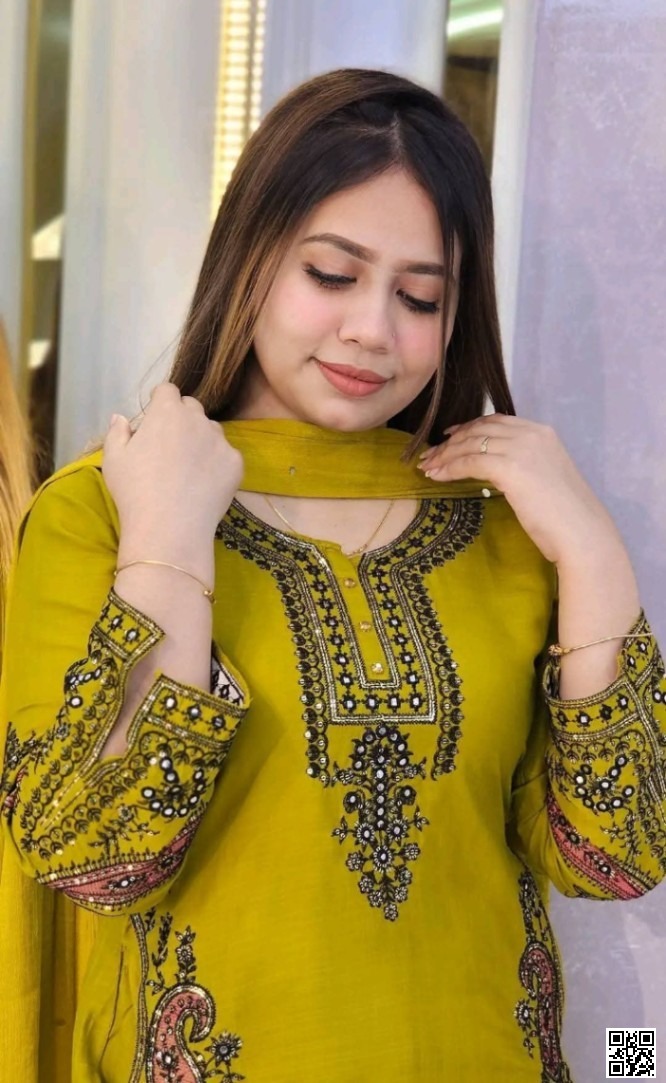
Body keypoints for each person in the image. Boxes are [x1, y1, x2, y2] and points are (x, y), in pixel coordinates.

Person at [1, 68, 664, 1083]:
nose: (372, 330)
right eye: (332, 274)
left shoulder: (505, 531)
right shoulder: (101, 513)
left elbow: (618, 854)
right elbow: (95, 854)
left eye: (420, 296)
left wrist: (593, 550)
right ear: (251, 258)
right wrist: (170, 541)